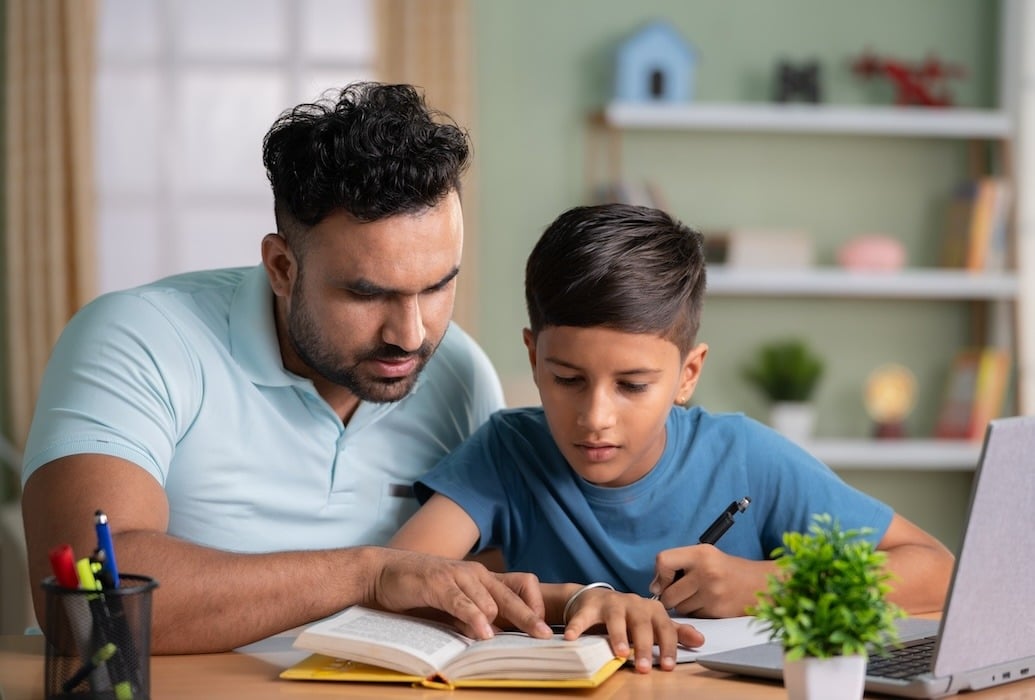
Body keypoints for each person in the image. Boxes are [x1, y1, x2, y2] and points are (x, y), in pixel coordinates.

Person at [21, 82, 554, 654]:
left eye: (437, 286)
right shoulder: (136, 337)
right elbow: (87, 601)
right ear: (281, 267)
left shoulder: (459, 372)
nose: (411, 334)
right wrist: (367, 575)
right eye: (366, 294)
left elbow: (480, 575)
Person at [390, 202, 956, 671]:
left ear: (688, 375)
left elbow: (935, 569)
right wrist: (577, 599)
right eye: (567, 380)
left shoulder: (746, 457)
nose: (596, 417)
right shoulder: (506, 451)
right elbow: (395, 577)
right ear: (534, 356)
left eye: (632, 385)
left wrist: (766, 585)